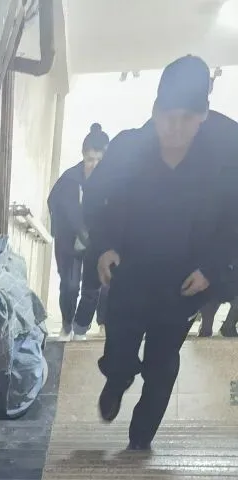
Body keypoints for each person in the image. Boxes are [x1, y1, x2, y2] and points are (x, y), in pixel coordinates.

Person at [84, 55, 238, 451]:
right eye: (167, 116)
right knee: (120, 348)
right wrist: (104, 246)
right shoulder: (128, 147)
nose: (175, 128)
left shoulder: (228, 154)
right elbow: (96, 198)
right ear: (154, 111)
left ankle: (140, 441)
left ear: (203, 116)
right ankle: (117, 379)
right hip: (130, 270)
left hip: (185, 280)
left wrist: (212, 268)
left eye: (187, 118)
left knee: (162, 361)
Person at [48, 123, 109, 339]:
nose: (94, 165)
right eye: (90, 159)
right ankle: (66, 325)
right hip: (71, 242)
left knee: (93, 288)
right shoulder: (69, 180)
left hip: (97, 243)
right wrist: (62, 232)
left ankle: (81, 328)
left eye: (99, 160)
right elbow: (54, 205)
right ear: (83, 156)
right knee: (70, 286)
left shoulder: (112, 183)